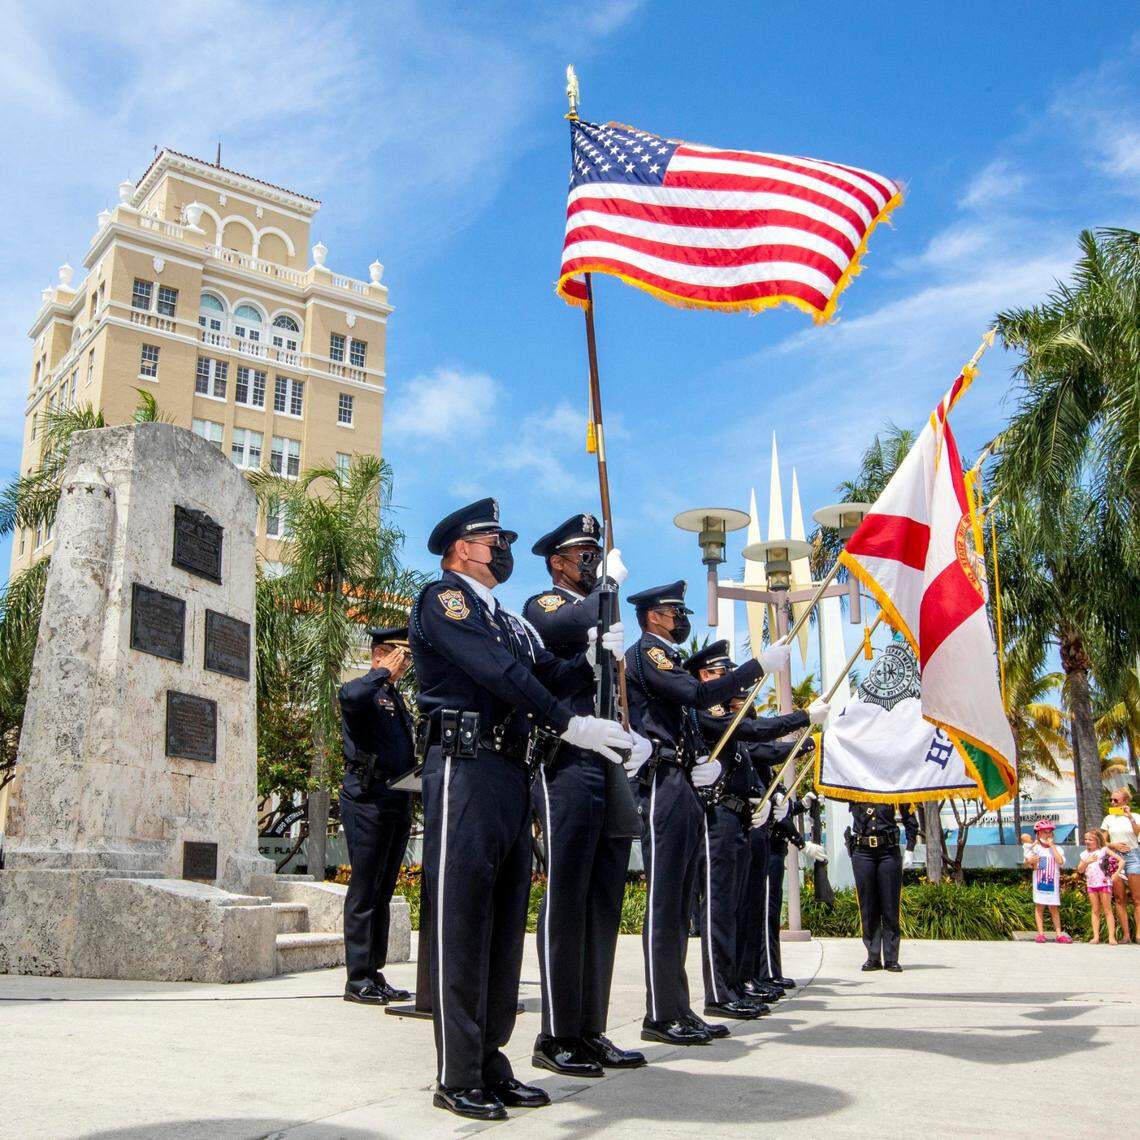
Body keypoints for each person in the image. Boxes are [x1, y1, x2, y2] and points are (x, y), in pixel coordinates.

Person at [411, 498, 632, 1121]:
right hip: (464, 763)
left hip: (511, 767)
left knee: (505, 921)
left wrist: (590, 653)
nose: (502, 549)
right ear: (462, 548)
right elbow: (501, 674)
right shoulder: (444, 601)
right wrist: (569, 723)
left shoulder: (507, 619)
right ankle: (458, 1073)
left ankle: (491, 1062)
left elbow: (544, 672)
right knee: (463, 917)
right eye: (492, 539)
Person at [624, 581, 790, 1045]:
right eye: (675, 611)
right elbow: (695, 699)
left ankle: (678, 1008)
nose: (681, 619)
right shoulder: (649, 654)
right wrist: (758, 667)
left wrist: (701, 758)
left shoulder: (669, 658)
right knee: (665, 901)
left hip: (684, 782)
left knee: (679, 904)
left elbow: (690, 720)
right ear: (653, 616)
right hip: (660, 780)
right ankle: (661, 1012)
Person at [524, 513, 648, 1077]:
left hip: (609, 763)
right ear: (557, 561)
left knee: (602, 902)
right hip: (567, 761)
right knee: (568, 898)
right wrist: (607, 590)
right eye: (584, 553)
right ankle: (556, 1034)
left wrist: (632, 735)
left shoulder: (600, 613)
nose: (593, 560)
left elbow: (608, 689)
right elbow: (565, 626)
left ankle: (590, 1030)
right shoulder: (544, 605)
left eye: (598, 553)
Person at [685, 641, 827, 1020]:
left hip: (741, 822)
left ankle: (739, 983)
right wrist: (803, 720)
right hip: (716, 820)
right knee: (721, 910)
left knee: (741, 909)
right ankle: (720, 992)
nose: (727, 681)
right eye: (718, 673)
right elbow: (759, 734)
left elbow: (760, 750)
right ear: (702, 677)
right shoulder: (707, 715)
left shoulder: (729, 724)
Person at [338, 628, 416, 1006]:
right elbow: (349, 696)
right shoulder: (365, 689)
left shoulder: (393, 696)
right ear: (383, 654)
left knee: (383, 890)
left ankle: (374, 971)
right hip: (366, 799)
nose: (405, 665)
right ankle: (357, 977)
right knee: (365, 889)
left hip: (396, 798)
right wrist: (380, 672)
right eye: (401, 657)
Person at [849, 800, 918, 971]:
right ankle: (873, 957)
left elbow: (909, 816)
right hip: (862, 851)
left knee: (890, 906)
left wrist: (910, 847)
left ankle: (891, 958)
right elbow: (835, 788)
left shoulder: (892, 786)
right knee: (868, 906)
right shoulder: (855, 784)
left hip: (888, 851)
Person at [1101, 788, 1140, 943]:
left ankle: (1138, 934)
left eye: (1115, 800)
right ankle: (1126, 935)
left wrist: (1130, 816)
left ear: (1125, 801)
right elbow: (1102, 841)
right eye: (1111, 800)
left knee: (1137, 897)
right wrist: (1114, 845)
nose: (1112, 802)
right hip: (1115, 857)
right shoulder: (1108, 819)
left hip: (1133, 856)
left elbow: (1137, 833)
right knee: (1119, 898)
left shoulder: (1135, 816)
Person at [1024, 820, 1072, 944]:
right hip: (1039, 883)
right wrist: (1030, 861)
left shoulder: (1057, 849)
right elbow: (1026, 862)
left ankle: (1059, 934)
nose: (1048, 835)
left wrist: (1052, 846)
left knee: (1054, 908)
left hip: (1052, 884)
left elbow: (1060, 861)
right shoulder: (1035, 848)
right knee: (1039, 907)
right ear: (1039, 834)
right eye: (1045, 832)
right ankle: (1040, 934)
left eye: (1050, 832)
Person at [1077, 829, 1121, 945]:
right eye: (1086, 839)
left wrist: (1116, 873)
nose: (1087, 841)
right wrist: (1086, 862)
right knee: (1095, 910)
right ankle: (1096, 936)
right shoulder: (1084, 854)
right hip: (1091, 884)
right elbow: (1080, 870)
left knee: (1107, 910)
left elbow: (1121, 860)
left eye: (1090, 839)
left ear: (1097, 840)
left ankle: (1111, 937)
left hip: (1104, 883)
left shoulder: (1104, 850)